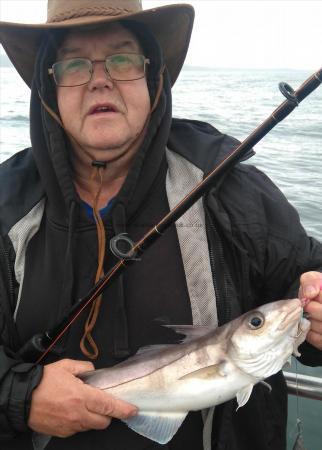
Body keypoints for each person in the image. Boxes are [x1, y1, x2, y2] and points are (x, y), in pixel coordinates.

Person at [0, 1, 322, 449]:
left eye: (123, 58)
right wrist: (16, 396)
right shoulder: (6, 205)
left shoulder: (230, 187)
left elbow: (303, 278)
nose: (100, 79)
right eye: (74, 64)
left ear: (153, 77)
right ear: (48, 86)